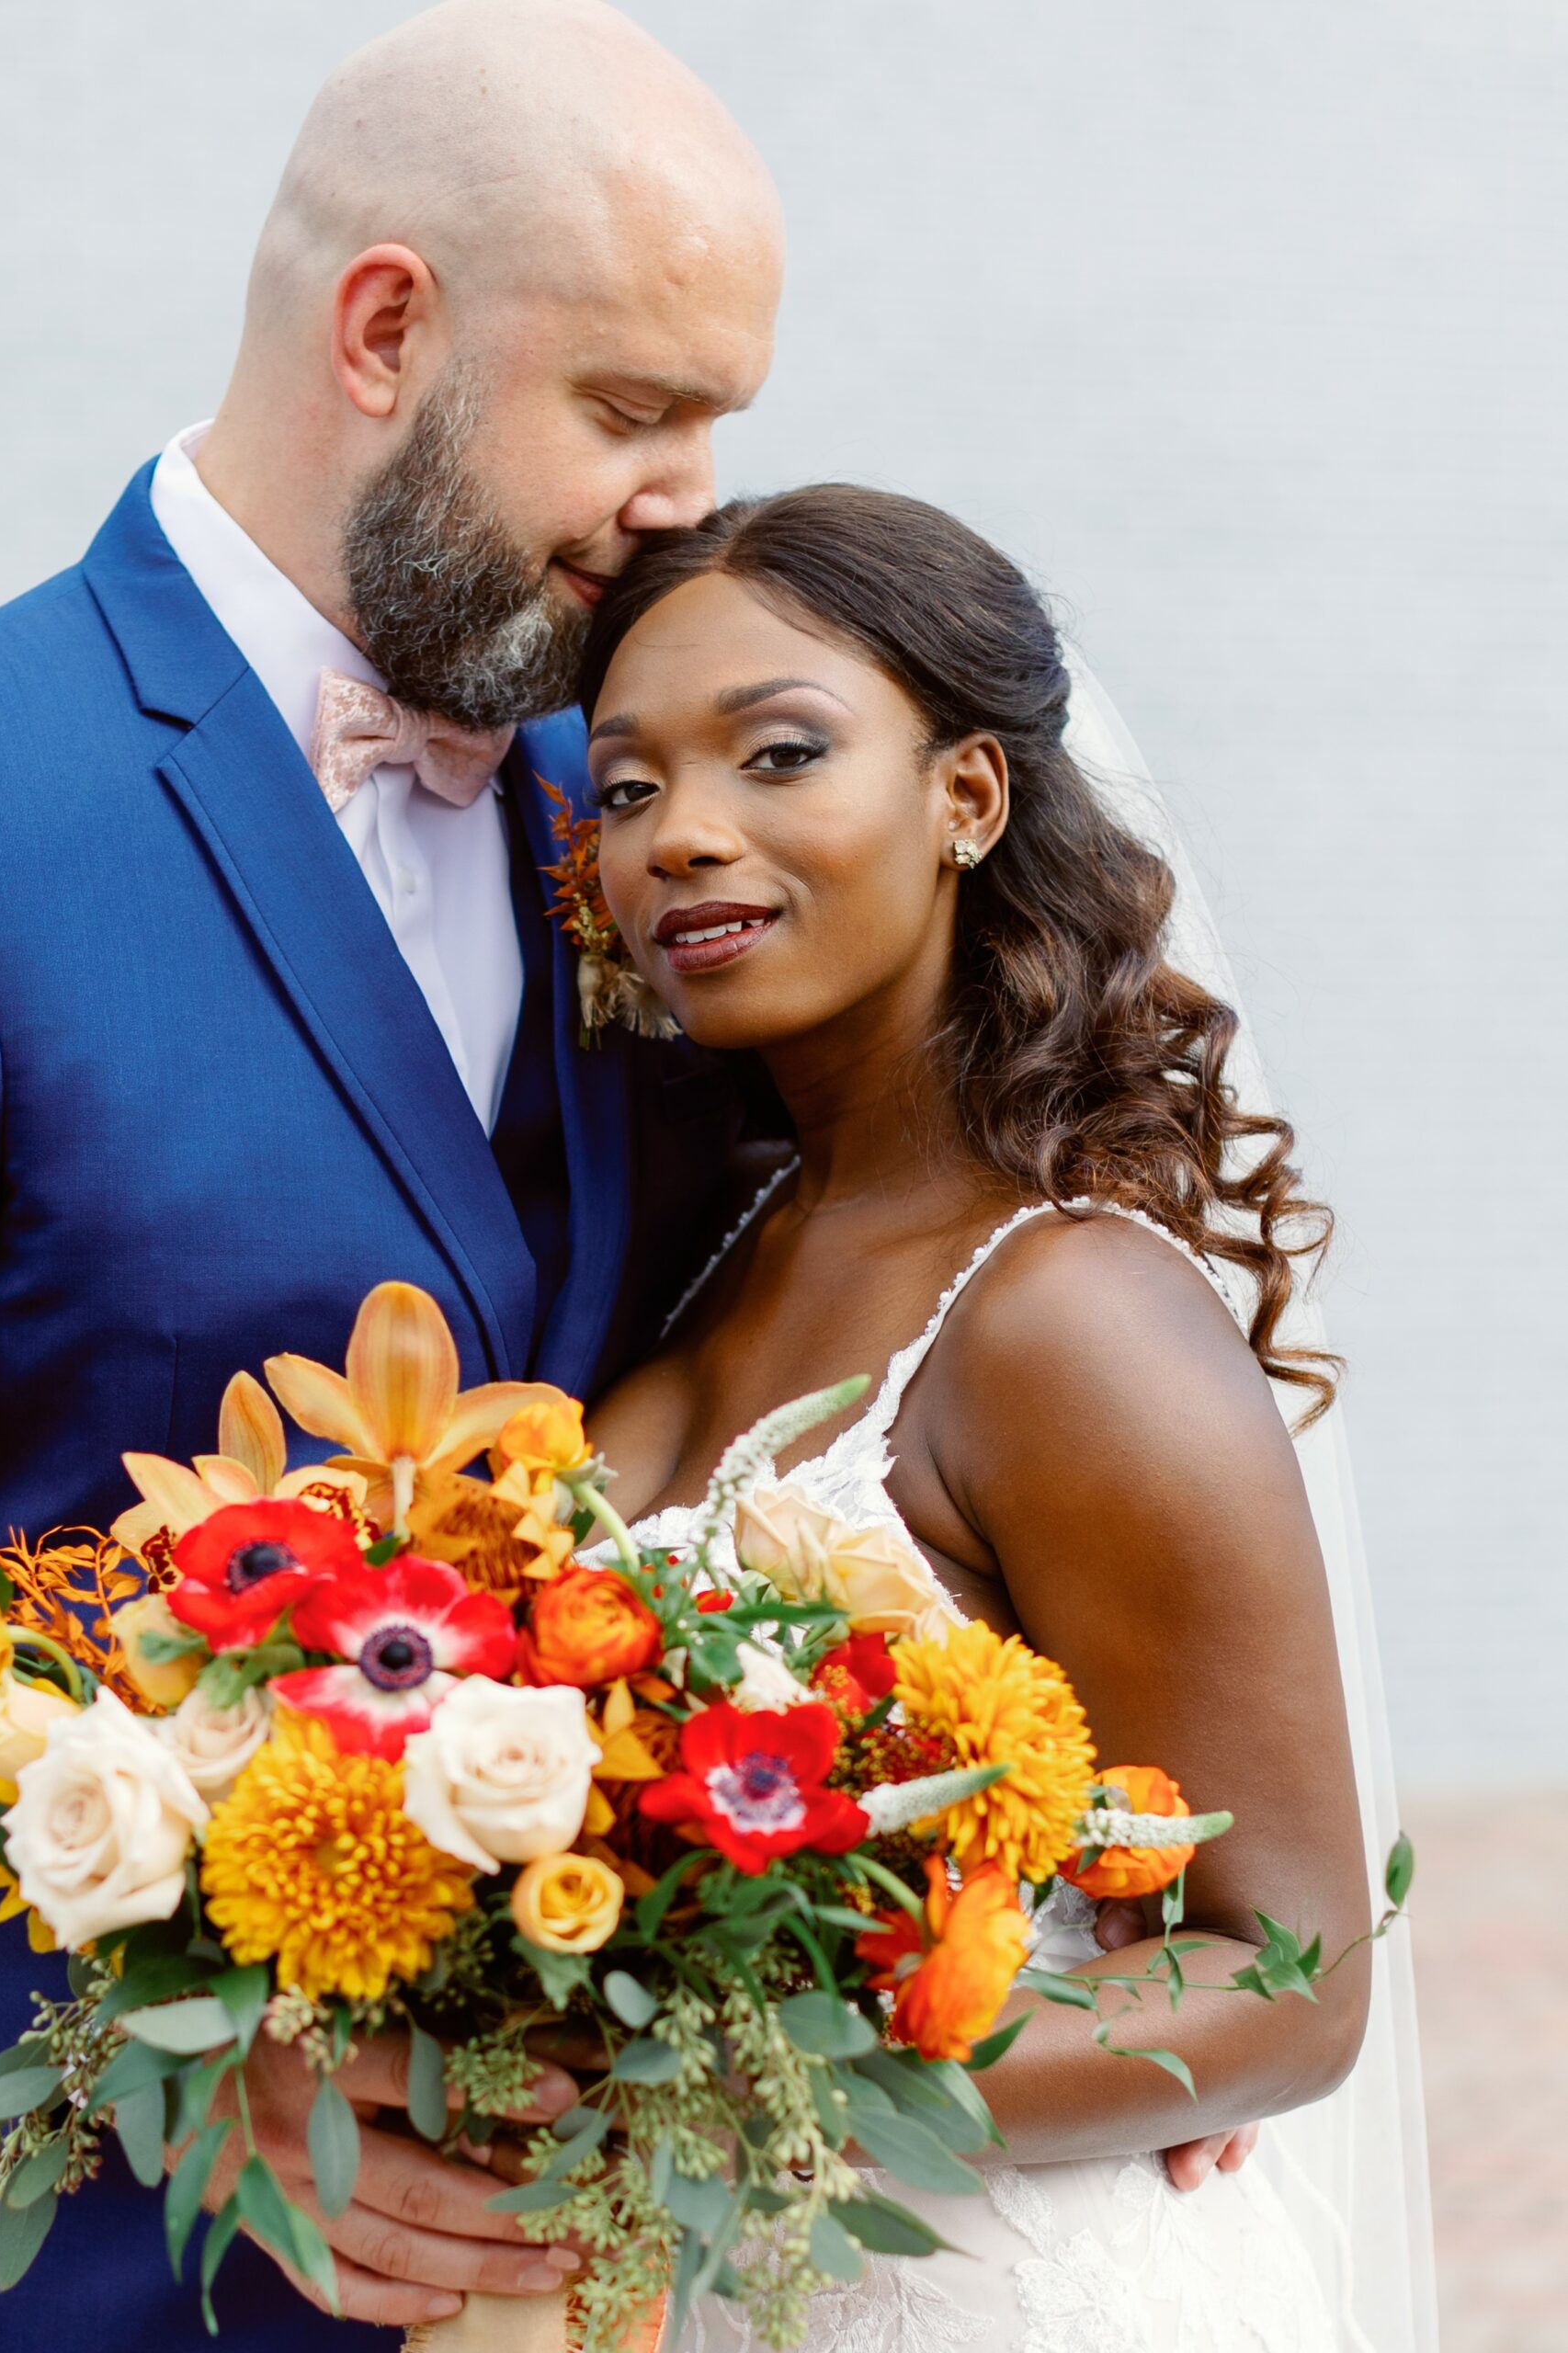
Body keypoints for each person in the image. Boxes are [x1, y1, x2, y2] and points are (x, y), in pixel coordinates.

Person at [0, 5, 785, 2347]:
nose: (687, 496)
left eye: (717, 416)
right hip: (28, 2257)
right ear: (384, 327)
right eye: (632, 409)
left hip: (570, 2252)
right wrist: (179, 2065)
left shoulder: (635, 807)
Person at [583, 485, 1427, 2347]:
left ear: (964, 794)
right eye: (624, 786)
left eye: (776, 752)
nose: (680, 835)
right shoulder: (718, 1230)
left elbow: (1290, 1978)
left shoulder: (1067, 1314)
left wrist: (708, 2069)